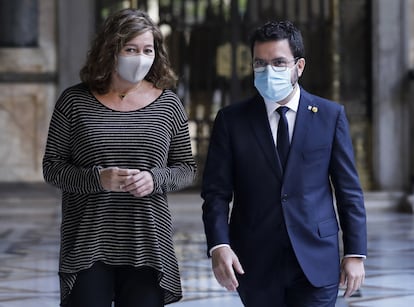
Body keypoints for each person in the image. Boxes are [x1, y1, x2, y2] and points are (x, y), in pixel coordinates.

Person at [201, 20, 366, 307]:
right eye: (260, 63)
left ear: (299, 66)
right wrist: (219, 245)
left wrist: (354, 254)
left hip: (316, 259)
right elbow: (216, 193)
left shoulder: (329, 116)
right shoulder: (231, 120)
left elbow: (348, 191)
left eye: (278, 62)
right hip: (254, 261)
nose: (268, 71)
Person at [43, 8, 196, 307]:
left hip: (148, 243)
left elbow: (186, 168)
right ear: (111, 50)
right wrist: (97, 179)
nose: (140, 57)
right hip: (88, 241)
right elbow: (52, 168)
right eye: (131, 49)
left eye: (148, 50)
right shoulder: (74, 102)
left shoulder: (169, 105)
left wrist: (156, 178)